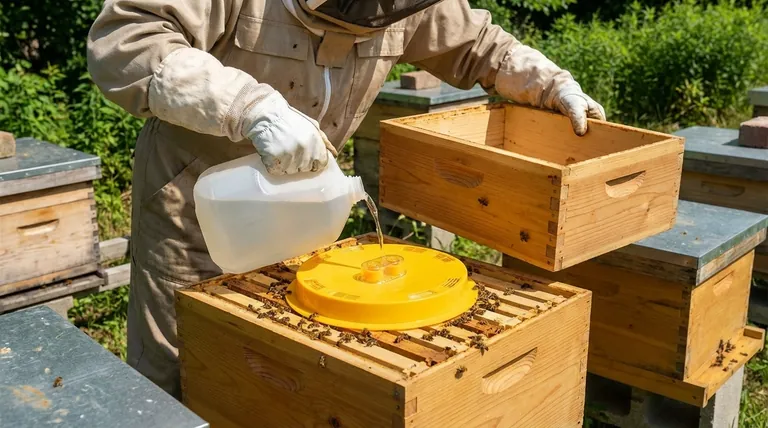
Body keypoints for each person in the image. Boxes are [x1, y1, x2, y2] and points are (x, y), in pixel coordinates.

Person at [87, 0, 606, 398]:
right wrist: (246, 106)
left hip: (303, 212)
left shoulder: (404, 4)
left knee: (279, 373)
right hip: (195, 208)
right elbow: (126, 41)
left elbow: (480, 45)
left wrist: (549, 84)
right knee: (180, 368)